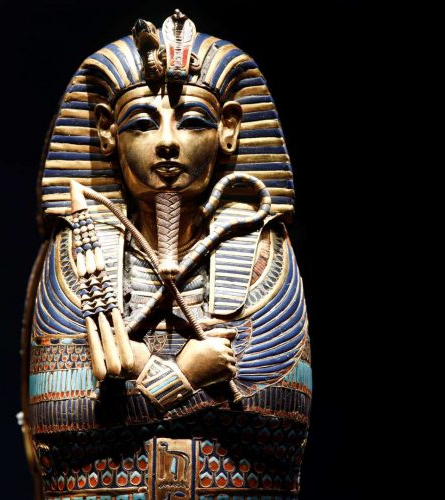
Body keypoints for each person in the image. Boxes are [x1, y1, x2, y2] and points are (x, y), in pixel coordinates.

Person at [21, 10, 311, 500]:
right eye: (144, 124)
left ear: (229, 129)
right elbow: (58, 428)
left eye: (192, 121)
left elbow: (280, 425)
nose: (169, 143)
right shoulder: (77, 256)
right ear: (106, 131)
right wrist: (184, 375)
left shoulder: (262, 256)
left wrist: (136, 376)